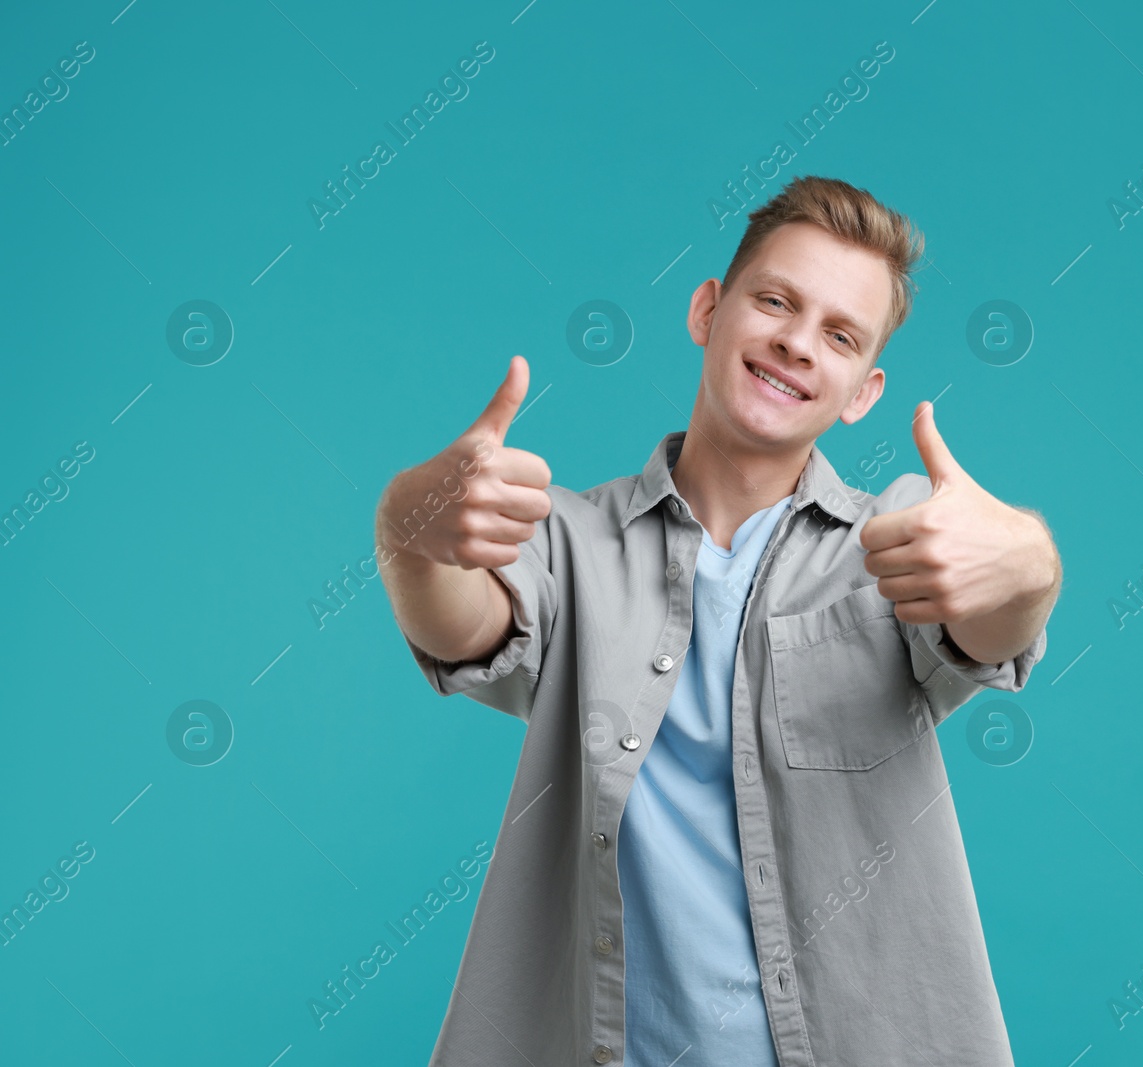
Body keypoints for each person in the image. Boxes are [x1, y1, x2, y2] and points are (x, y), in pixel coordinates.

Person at [375, 174, 1062, 1066]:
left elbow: (991, 625)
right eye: (776, 300)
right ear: (708, 309)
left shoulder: (892, 542)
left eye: (840, 334)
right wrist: (409, 529)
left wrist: (1028, 565)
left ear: (863, 391)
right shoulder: (570, 543)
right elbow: (458, 627)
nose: (796, 342)